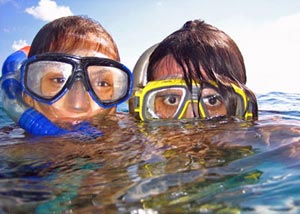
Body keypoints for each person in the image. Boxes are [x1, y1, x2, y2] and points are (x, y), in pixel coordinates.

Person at [1, 16, 132, 135]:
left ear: (115, 102)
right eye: (58, 80)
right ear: (28, 97)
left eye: (102, 83)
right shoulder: (7, 149)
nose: (78, 105)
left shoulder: (136, 141)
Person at [129, 19, 257, 121]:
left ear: (245, 109)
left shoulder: (270, 138)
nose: (190, 120)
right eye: (171, 100)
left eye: (212, 101)